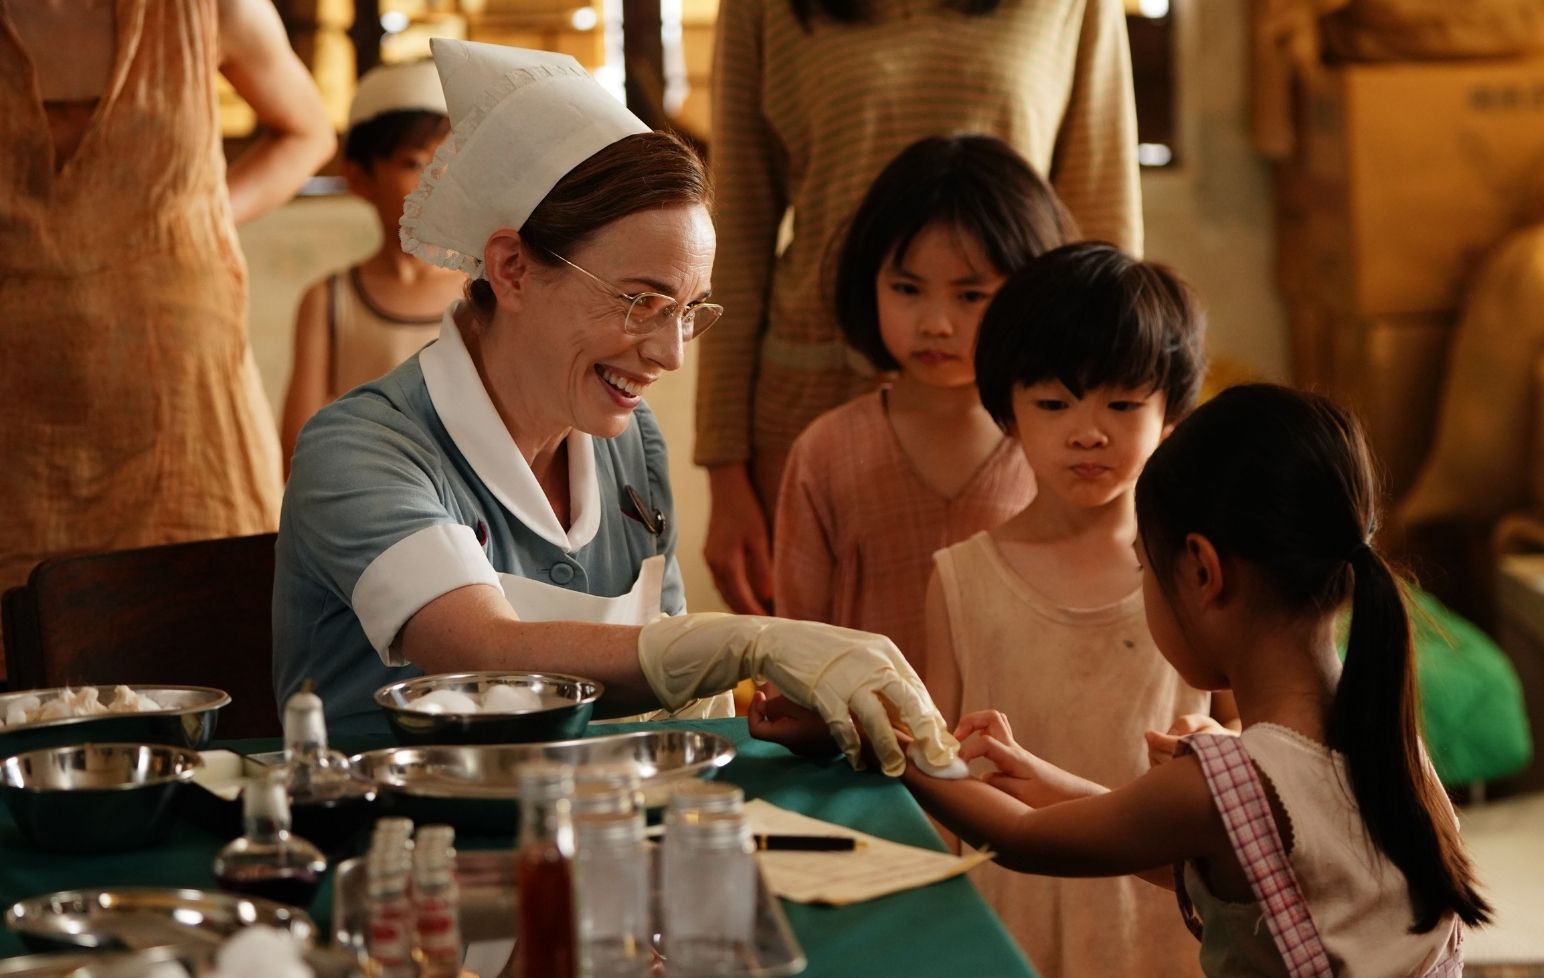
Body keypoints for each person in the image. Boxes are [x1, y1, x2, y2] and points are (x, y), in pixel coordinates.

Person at [272, 38, 956, 779]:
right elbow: (480, 653)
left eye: (691, 311)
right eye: (642, 303)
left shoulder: (630, 444)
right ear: (511, 269)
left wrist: (765, 698)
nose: (671, 354)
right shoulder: (362, 449)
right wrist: (745, 640)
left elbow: (662, 696)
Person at [902, 384, 1490, 975]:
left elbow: (1026, 838)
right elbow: (1176, 848)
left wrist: (898, 748)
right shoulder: (1383, 733)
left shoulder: (1221, 786)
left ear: (1203, 572)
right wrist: (1041, 778)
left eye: (1144, 569)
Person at [695, 0, 1146, 617]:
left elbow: (1103, 215)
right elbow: (738, 229)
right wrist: (724, 467)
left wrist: (1105, 422)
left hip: (1016, 413)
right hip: (807, 393)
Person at [921, 243, 1231, 978]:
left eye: (1122, 404)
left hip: (1171, 926)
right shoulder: (962, 580)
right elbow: (936, 780)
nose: (1089, 432)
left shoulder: (1201, 568)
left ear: (1171, 410)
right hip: (1014, 923)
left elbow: (1248, 726)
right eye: (1054, 403)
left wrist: (1214, 740)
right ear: (1008, 410)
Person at [0, 0, 333, 671]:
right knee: (27, 652)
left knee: (206, 627)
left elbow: (308, 132)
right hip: (19, 413)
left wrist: (205, 216)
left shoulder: (209, 8)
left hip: (181, 398)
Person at [771, 134, 1069, 673]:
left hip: (1026, 752)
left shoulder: (1059, 444)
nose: (936, 323)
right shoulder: (827, 451)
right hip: (864, 749)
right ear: (870, 284)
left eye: (971, 295)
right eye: (908, 289)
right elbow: (799, 645)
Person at [280, 59, 468, 470]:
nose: (438, 180)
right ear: (360, 179)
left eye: (451, 160)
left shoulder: (490, 290)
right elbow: (300, 449)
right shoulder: (331, 299)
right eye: (415, 163)